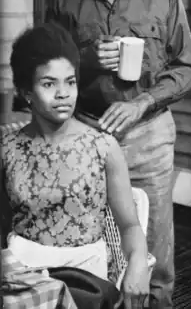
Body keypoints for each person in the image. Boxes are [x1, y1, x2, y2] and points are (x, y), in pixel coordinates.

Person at [46, 0, 191, 308]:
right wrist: (83, 60)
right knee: (91, 248)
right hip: (88, 139)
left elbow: (189, 69)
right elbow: (44, 72)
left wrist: (142, 102)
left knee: (156, 259)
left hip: (149, 136)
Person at [1, 22, 150, 309]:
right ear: (25, 91)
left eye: (70, 82)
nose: (63, 93)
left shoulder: (102, 147)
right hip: (24, 280)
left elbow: (130, 226)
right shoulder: (7, 149)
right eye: (48, 83)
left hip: (85, 283)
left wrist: (138, 262)